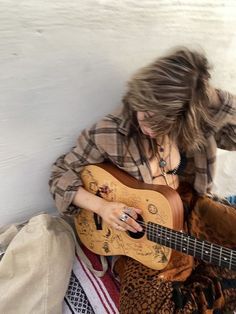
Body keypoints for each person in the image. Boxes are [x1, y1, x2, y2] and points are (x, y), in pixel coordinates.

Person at [49, 47, 236, 313]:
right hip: (144, 231)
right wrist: (102, 207)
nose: (146, 125)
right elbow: (59, 175)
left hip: (189, 203)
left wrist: (206, 98)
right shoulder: (112, 130)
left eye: (160, 122)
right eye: (144, 113)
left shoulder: (196, 118)